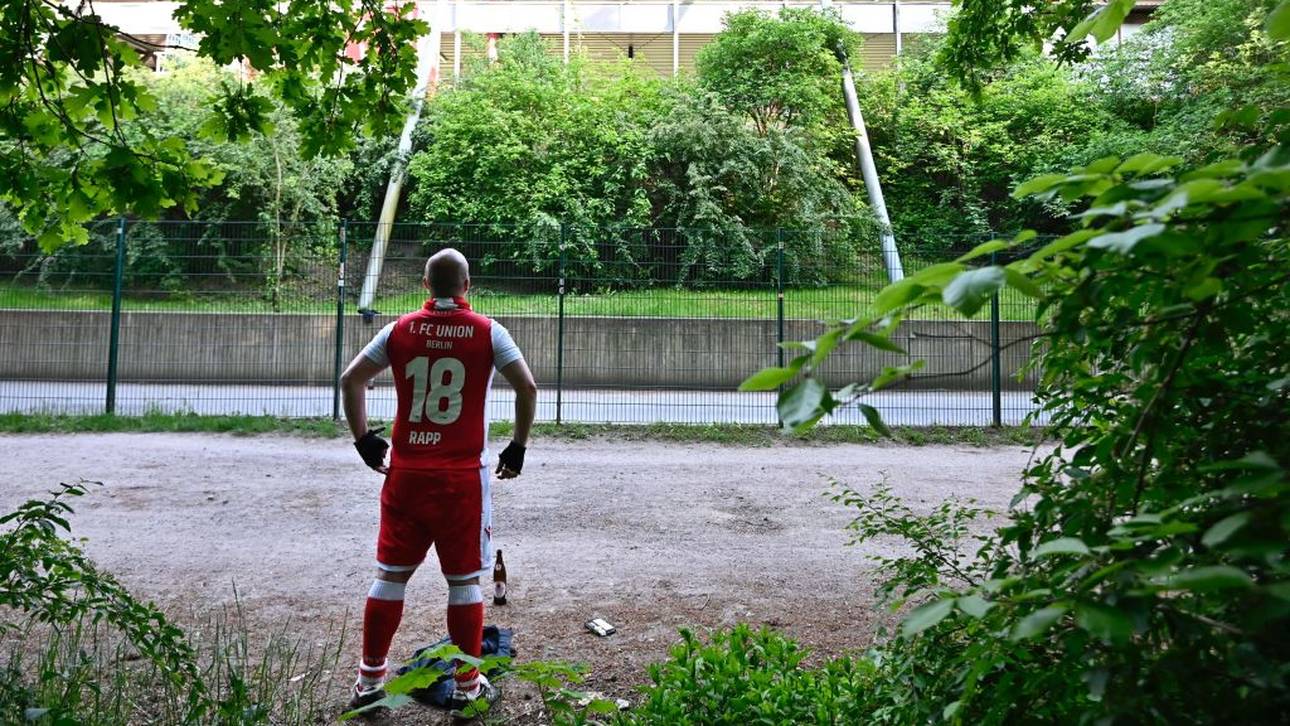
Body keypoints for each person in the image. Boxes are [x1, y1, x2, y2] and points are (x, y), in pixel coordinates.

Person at [339, 248, 537, 718]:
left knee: (389, 577)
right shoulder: (490, 332)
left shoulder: (399, 330)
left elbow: (351, 380)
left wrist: (364, 440)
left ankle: (369, 683)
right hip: (461, 479)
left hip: (405, 475)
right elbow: (527, 387)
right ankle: (468, 686)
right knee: (464, 582)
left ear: (426, 287)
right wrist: (518, 447)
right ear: (467, 286)